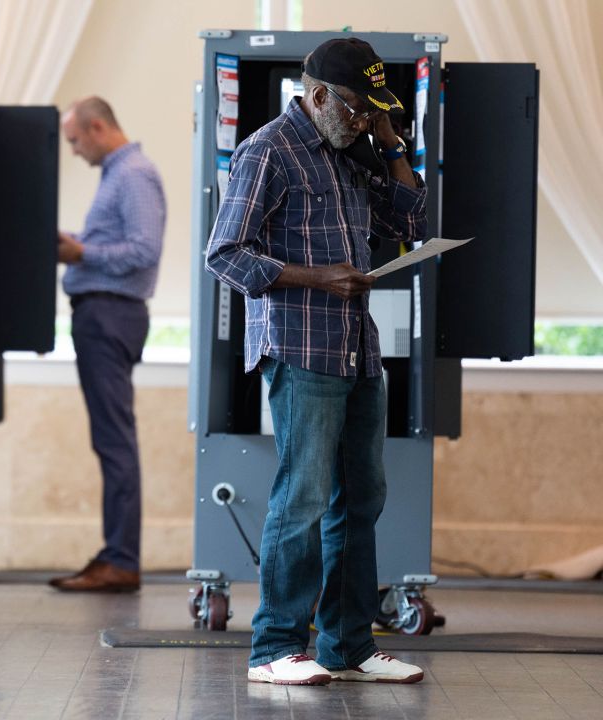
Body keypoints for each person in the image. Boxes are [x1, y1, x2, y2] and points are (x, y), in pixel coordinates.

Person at [205, 38, 428, 685]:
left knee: (360, 500)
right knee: (300, 498)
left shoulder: (354, 152)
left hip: (357, 350)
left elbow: (412, 216)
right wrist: (317, 279)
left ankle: (347, 646)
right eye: (358, 108)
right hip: (302, 350)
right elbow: (225, 254)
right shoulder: (267, 151)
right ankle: (274, 648)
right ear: (320, 95)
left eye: (374, 111)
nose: (363, 120)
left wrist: (388, 139)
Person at [49, 97, 166, 593]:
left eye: (75, 140)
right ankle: (115, 553)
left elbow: (144, 250)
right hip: (103, 315)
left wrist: (81, 252)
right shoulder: (118, 175)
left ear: (98, 127)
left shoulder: (134, 174)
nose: (74, 151)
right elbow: (115, 241)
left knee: (115, 440)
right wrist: (75, 242)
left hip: (110, 316)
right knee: (110, 439)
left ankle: (122, 560)